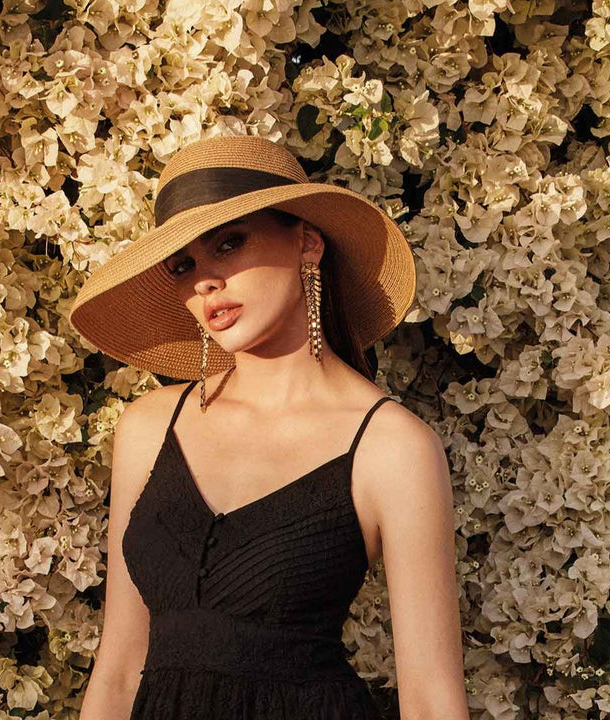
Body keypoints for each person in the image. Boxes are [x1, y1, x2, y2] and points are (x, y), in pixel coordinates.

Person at [71, 136, 470, 719]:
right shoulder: (149, 427)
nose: (205, 282)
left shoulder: (391, 447)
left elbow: (432, 700)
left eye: (229, 243)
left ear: (307, 242)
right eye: (183, 266)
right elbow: (118, 669)